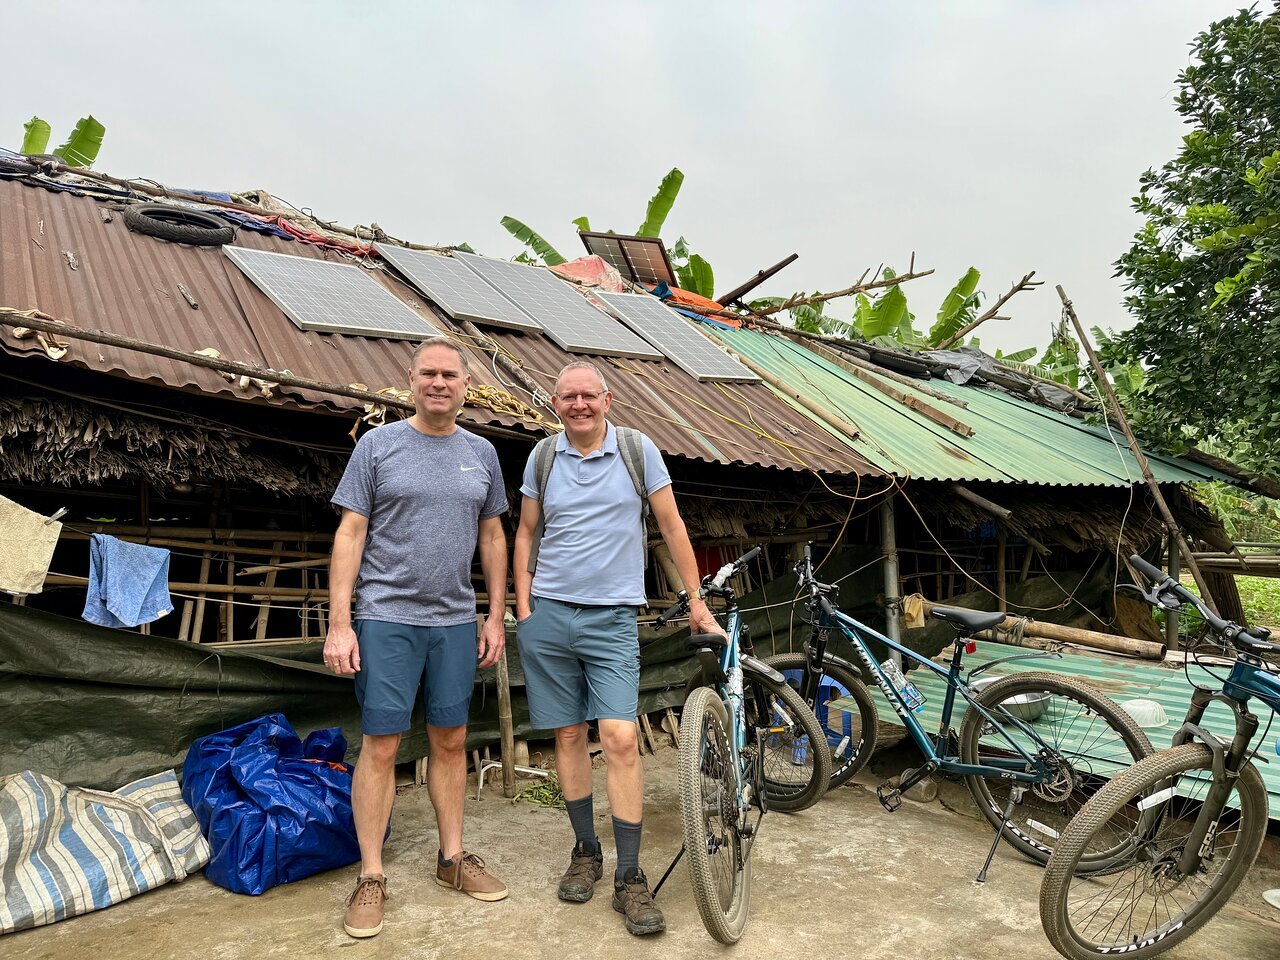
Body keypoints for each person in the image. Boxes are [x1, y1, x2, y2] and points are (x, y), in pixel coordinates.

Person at [512, 360, 719, 936]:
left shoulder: (637, 450)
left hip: (610, 620)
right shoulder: (543, 457)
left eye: (588, 395)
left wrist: (695, 600)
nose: (578, 404)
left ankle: (630, 876)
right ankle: (586, 850)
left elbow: (672, 525)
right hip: (550, 616)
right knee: (569, 734)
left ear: (608, 399)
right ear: (556, 403)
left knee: (621, 737)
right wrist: (524, 608)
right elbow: (526, 532)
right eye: (567, 396)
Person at [325, 337, 510, 939]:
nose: (438, 383)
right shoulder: (378, 447)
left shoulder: (481, 453)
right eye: (428, 373)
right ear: (412, 381)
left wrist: (495, 614)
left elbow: (493, 538)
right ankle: (372, 875)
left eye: (449, 375)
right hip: (386, 617)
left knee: (451, 740)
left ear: (465, 385)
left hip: (455, 620)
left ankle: (451, 859)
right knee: (381, 744)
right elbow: (350, 535)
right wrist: (339, 621)